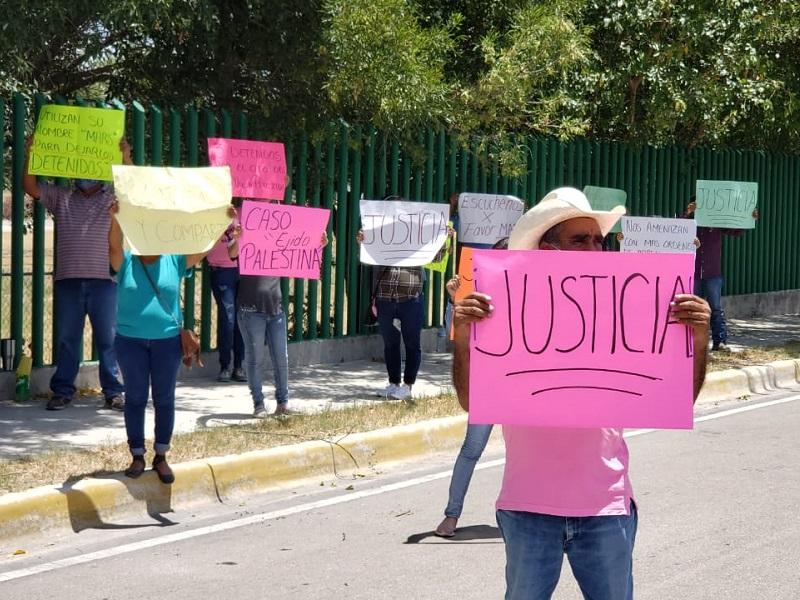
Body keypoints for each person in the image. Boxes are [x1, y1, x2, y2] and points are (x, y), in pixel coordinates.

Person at [452, 187, 711, 599]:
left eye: (599, 241)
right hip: (528, 508)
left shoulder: (629, 309)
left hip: (605, 509)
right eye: (581, 240)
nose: (595, 249)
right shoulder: (505, 311)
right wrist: (464, 338)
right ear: (547, 249)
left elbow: (678, 399)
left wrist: (698, 338)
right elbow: (472, 401)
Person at [108, 202, 232, 483]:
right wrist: (115, 218)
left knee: (164, 399)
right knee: (136, 399)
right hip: (130, 342)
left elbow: (203, 248)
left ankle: (161, 456)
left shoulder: (174, 260)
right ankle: (137, 454)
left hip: (166, 343)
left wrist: (222, 222)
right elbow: (114, 247)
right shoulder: (126, 261)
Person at [22, 135, 127, 411]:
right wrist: (31, 154)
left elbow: (133, 190)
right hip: (68, 281)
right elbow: (30, 186)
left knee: (108, 339)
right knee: (68, 339)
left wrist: (125, 155)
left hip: (104, 281)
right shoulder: (62, 196)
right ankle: (63, 391)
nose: (84, 176)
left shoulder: (113, 199)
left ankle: (113, 391)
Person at [435, 237, 508, 538]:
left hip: (523, 385)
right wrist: (457, 300)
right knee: (471, 449)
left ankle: (522, 517)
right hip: (489, 384)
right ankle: (451, 515)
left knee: (526, 454)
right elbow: (457, 334)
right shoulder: (478, 295)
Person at [228, 213, 328, 418]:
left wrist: (320, 245)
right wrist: (239, 238)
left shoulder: (279, 241)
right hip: (250, 310)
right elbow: (231, 253)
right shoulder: (246, 235)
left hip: (276, 309)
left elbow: (301, 251)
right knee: (255, 359)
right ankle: (259, 404)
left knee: (281, 358)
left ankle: (283, 404)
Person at [684, 198, 759, 351]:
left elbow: (736, 230)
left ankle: (720, 341)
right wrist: (687, 213)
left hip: (713, 273)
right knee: (692, 309)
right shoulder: (688, 225)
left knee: (716, 308)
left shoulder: (716, 223)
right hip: (693, 273)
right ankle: (688, 344)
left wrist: (749, 218)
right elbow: (673, 230)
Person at [206, 224, 246, 382]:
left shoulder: (244, 211)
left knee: (240, 319)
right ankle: (225, 365)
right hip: (221, 269)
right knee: (228, 319)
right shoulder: (213, 212)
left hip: (243, 269)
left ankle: (238, 365)